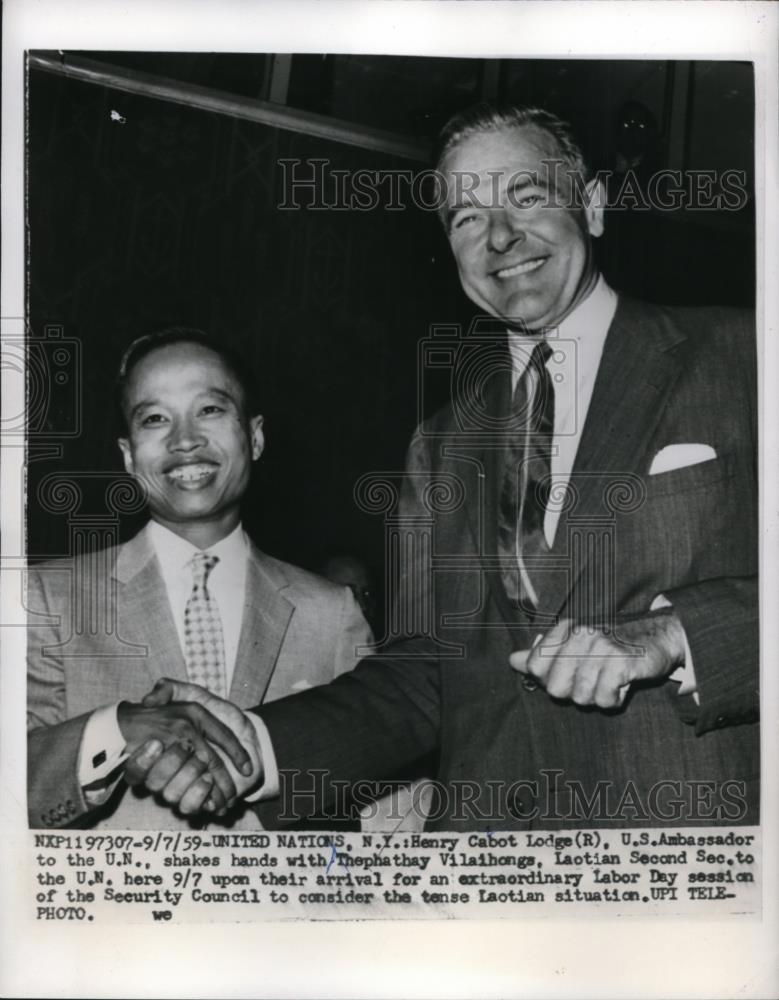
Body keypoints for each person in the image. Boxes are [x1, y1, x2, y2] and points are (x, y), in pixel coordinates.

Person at [127, 103, 758, 831]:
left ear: (591, 205)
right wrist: (257, 742)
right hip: (486, 878)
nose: (498, 236)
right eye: (465, 217)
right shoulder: (440, 444)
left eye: (525, 196)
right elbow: (429, 671)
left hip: (687, 863)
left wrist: (676, 634)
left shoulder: (743, 357)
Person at [26, 328, 372, 830]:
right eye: (155, 418)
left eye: (209, 410)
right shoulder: (45, 598)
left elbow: (385, 794)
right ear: (127, 455)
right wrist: (115, 730)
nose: (184, 440)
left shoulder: (332, 612)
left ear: (254, 436)